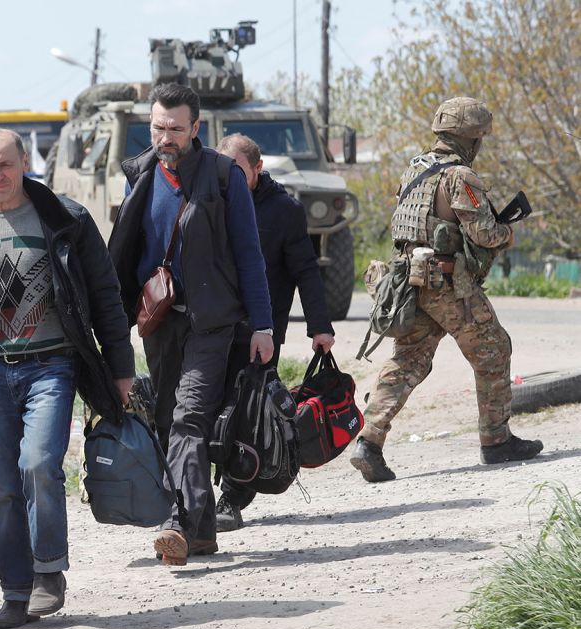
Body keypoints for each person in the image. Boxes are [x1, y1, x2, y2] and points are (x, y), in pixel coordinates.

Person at [0, 128, 134, 629]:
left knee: (39, 465)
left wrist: (121, 365)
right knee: (1, 486)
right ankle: (15, 592)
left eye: (5, 165)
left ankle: (48, 573)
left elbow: (105, 296)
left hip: (52, 365)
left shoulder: (65, 219)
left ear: (25, 163)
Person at [108, 83, 274, 566]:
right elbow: (126, 252)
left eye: (176, 129)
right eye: (158, 127)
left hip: (212, 322)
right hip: (159, 321)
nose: (166, 137)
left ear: (196, 128)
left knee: (189, 417)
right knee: (166, 420)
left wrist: (262, 325)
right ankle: (201, 534)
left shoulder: (223, 177)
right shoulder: (138, 174)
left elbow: (250, 255)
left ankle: (177, 520)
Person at [350, 96, 542, 482]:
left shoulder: (415, 169)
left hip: (410, 281)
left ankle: (368, 441)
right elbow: (484, 232)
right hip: (447, 285)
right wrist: (507, 233)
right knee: (493, 349)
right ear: (470, 139)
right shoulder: (460, 176)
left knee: (408, 360)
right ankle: (496, 440)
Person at [214, 133, 335, 532]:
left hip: (260, 334)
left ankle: (232, 497)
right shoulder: (208, 201)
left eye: (238, 171)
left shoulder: (284, 211)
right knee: (206, 412)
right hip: (211, 329)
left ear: (257, 169)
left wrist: (319, 326)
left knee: (248, 415)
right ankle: (191, 495)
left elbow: (306, 271)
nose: (229, 179)